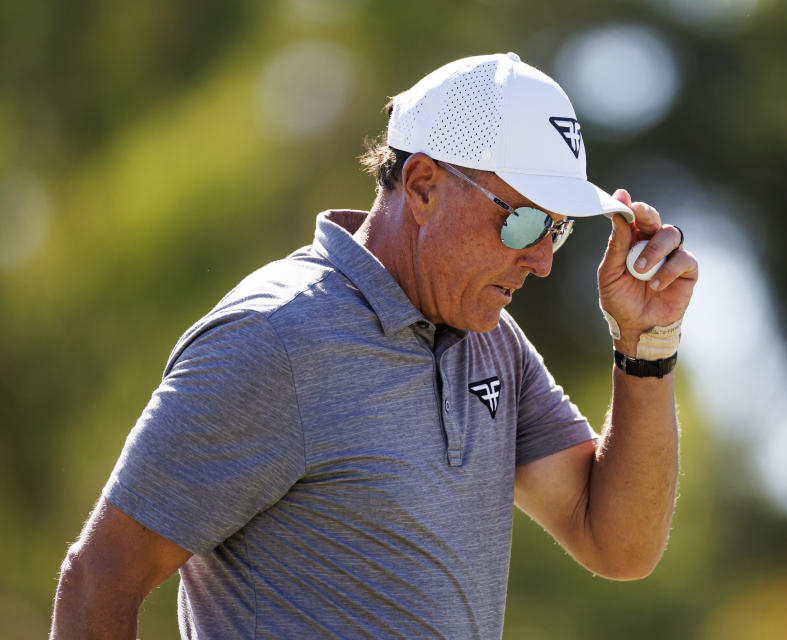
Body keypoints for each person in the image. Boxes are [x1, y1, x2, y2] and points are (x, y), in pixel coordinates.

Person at [51, 52, 697, 639]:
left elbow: (618, 544)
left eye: (554, 231)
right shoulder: (275, 337)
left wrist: (646, 343)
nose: (541, 261)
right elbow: (97, 580)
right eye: (523, 220)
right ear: (422, 186)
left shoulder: (494, 343)